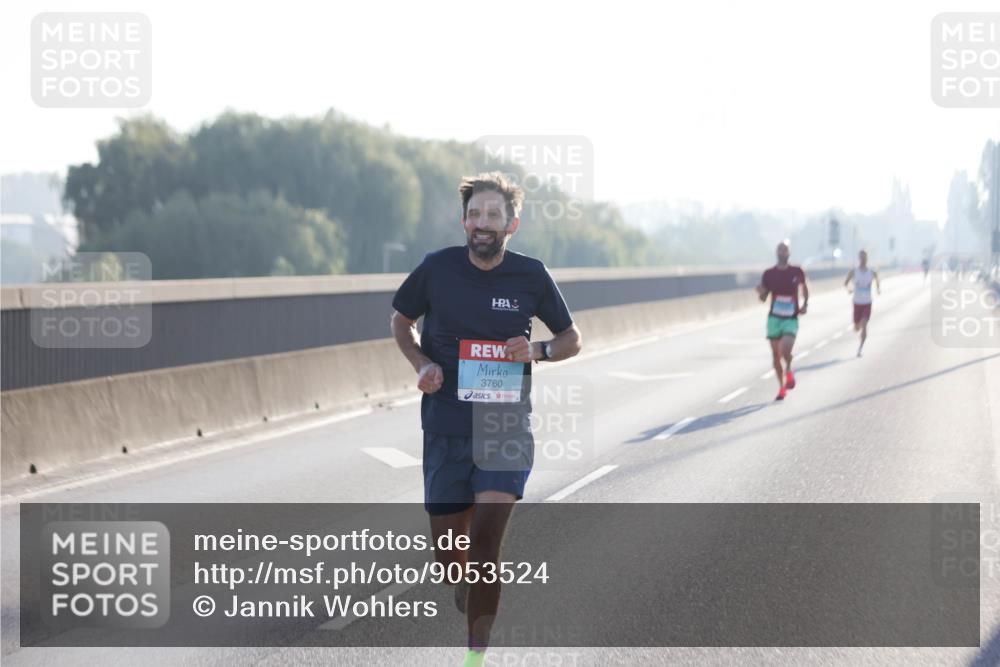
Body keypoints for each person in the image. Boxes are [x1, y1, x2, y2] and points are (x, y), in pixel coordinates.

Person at [390, 172, 582, 666]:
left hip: (504, 429)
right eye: (475, 214)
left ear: (511, 224)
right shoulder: (437, 269)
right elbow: (400, 321)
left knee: (484, 550)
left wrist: (537, 349)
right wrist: (423, 364)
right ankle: (465, 590)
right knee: (452, 563)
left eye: (493, 215)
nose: (482, 223)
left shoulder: (532, 275)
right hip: (446, 428)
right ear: (464, 221)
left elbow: (571, 338)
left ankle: (475, 658)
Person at [756, 241, 809, 401]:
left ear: (789, 253)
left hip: (791, 318)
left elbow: (804, 288)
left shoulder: (797, 271)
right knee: (775, 355)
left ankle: (789, 369)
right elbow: (763, 298)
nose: (782, 253)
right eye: (780, 250)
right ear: (776, 253)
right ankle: (781, 388)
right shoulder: (768, 274)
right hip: (774, 318)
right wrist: (761, 292)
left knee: (785, 349)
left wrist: (805, 304)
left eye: (785, 250)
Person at [844, 250, 881, 357]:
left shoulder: (872, 272)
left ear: (867, 258)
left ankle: (860, 348)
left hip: (867, 302)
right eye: (861, 257)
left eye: (864, 257)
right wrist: (849, 289)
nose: (863, 260)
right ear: (859, 258)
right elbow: (846, 283)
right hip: (857, 302)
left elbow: (877, 280)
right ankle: (857, 324)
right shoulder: (854, 271)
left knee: (864, 324)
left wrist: (878, 289)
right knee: (856, 327)